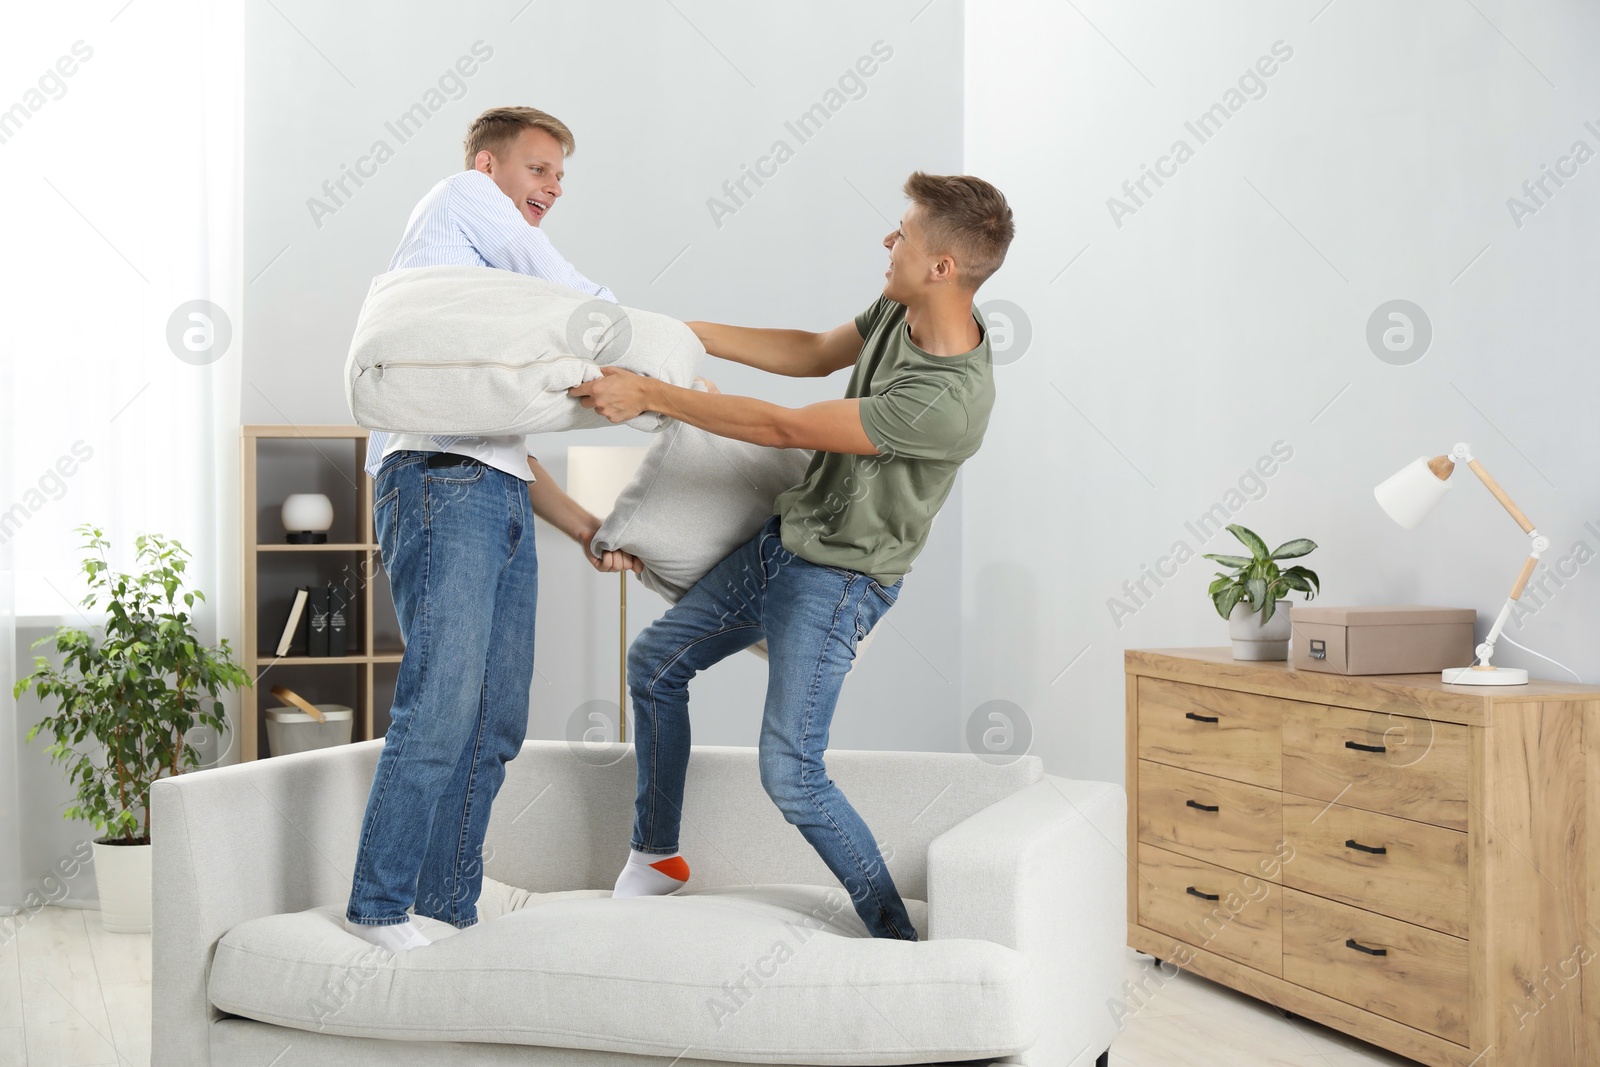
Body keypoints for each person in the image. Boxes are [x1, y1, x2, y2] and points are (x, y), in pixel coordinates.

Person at [570, 172, 1015, 939]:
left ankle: (895, 936)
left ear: (944, 266)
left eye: (903, 231)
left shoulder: (947, 400)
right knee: (654, 665)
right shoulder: (901, 309)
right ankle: (657, 855)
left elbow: (785, 427)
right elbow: (812, 352)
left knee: (791, 772)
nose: (889, 240)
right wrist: (688, 333)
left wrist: (654, 394)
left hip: (840, 582)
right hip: (786, 544)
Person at [344, 106, 641, 953]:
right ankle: (378, 905)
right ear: (488, 165)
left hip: (491, 489)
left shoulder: (480, 322)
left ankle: (443, 904)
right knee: (441, 702)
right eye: (538, 169)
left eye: (559, 178)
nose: (550, 189)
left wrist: (588, 529)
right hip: (438, 484)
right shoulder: (464, 197)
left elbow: (507, 452)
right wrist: (627, 338)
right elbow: (576, 298)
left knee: (496, 719)